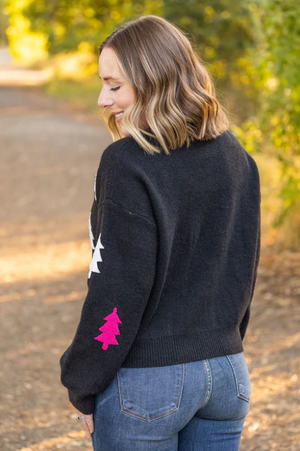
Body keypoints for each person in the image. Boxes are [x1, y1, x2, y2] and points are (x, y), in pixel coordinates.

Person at [59, 14, 261, 451]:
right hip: (227, 373)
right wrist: (223, 345)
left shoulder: (127, 162)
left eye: (115, 86)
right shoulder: (237, 156)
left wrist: (83, 381)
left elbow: (117, 288)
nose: (102, 99)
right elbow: (243, 267)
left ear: (155, 82)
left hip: (149, 386)